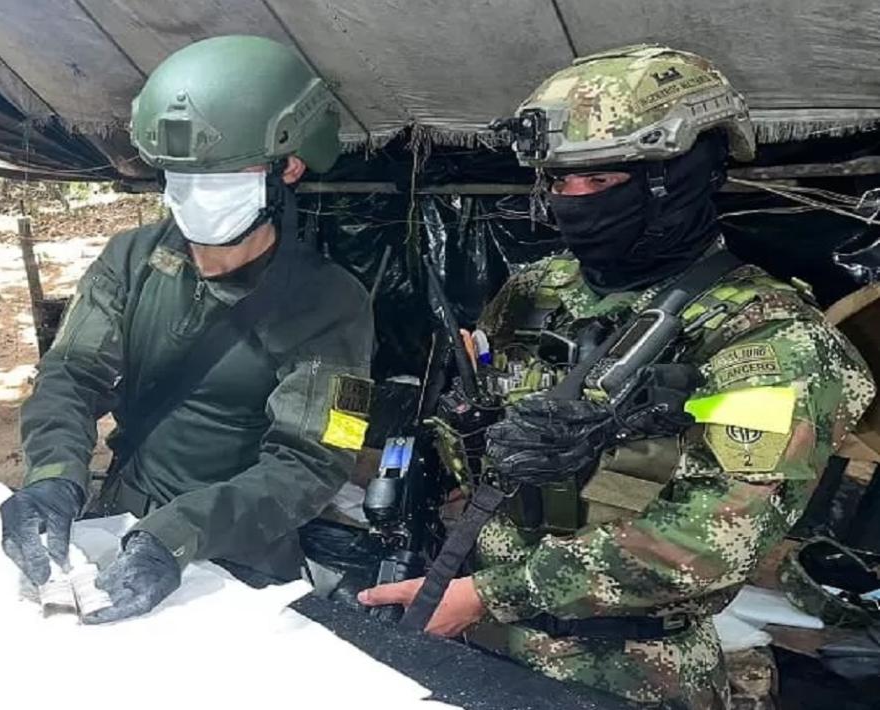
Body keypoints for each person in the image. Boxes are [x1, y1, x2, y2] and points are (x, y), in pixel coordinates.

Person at [358, 44, 875, 708]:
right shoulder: (538, 291)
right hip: (471, 628)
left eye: (599, 182)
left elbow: (707, 541)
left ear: (681, 178)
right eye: (558, 181)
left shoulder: (769, 339)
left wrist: (495, 594)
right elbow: (483, 438)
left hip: (626, 671)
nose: (571, 203)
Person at [0, 35, 374, 624]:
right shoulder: (131, 259)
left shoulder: (332, 304)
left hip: (239, 551)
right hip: (120, 515)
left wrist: (177, 534)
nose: (194, 192)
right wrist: (52, 477)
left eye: (221, 173)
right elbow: (70, 373)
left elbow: (310, 464)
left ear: (289, 167)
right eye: (178, 172)